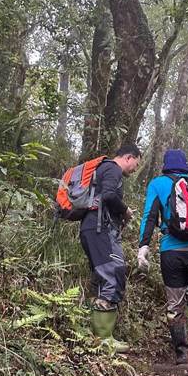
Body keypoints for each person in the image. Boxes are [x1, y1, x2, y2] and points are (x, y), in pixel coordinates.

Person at [137, 149, 188, 371]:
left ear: (165, 164)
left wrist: (143, 246)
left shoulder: (158, 184)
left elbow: (150, 216)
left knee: (175, 303)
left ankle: (182, 354)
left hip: (171, 251)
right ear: (186, 165)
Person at [79, 144, 142, 349]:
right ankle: (104, 339)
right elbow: (108, 196)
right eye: (136, 164)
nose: (135, 169)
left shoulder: (102, 169)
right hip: (100, 230)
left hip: (91, 228)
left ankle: (98, 337)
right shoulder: (113, 169)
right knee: (113, 273)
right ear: (128, 157)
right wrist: (125, 211)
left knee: (101, 277)